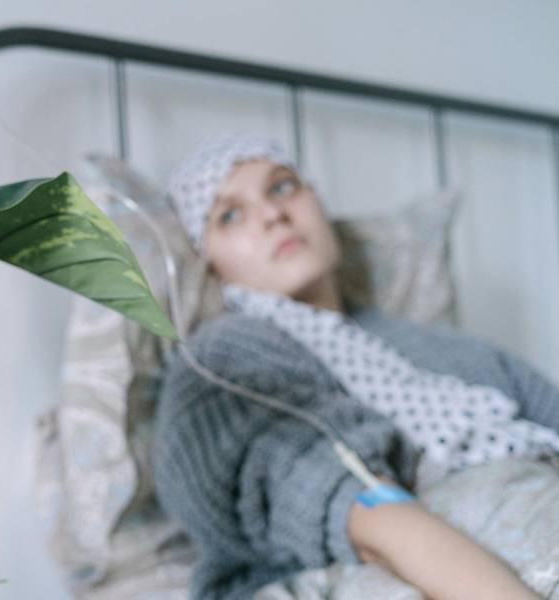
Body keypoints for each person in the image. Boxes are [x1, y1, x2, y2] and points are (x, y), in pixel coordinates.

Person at [152, 133, 559, 599]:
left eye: (282, 187)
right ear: (209, 264)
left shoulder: (455, 351)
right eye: (230, 215)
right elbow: (370, 514)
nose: (273, 215)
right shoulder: (225, 360)